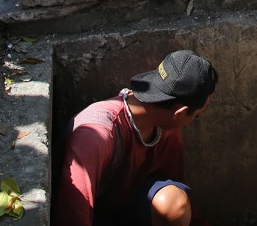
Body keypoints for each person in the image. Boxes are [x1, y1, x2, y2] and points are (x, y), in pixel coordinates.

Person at [56, 50, 217, 226]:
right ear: (180, 112)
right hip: (92, 215)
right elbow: (72, 212)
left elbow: (176, 186)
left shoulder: (164, 126)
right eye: (196, 116)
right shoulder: (95, 135)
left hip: (126, 208)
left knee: (173, 204)